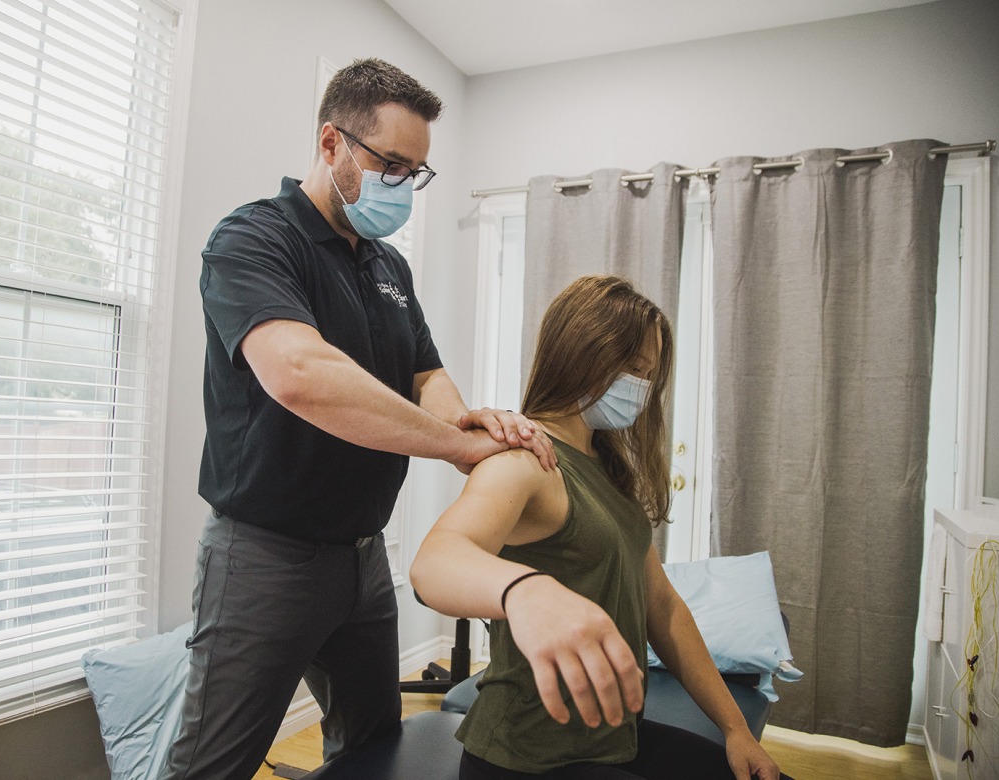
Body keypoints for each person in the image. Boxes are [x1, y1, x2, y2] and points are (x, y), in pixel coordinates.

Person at [159, 59, 556, 780]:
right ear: (332, 143)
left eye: (417, 171)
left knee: (374, 750)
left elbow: (425, 373)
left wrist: (469, 423)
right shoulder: (253, 240)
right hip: (264, 558)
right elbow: (302, 376)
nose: (403, 184)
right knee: (210, 767)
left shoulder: (387, 268)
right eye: (391, 164)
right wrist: (451, 447)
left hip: (363, 561)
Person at [410, 275, 792, 780]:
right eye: (632, 367)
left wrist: (734, 729)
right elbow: (433, 563)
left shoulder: (609, 469)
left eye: (648, 373)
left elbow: (663, 605)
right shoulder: (527, 461)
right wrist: (525, 591)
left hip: (615, 738)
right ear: (582, 353)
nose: (641, 385)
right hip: (527, 755)